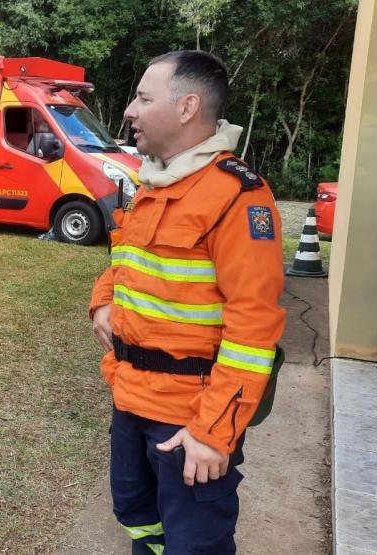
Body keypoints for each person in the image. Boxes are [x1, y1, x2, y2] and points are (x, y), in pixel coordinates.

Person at [89, 50, 285, 554]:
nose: (130, 110)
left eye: (142, 97)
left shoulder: (237, 197)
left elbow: (253, 330)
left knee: (194, 544)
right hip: (131, 398)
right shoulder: (156, 181)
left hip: (189, 417)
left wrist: (213, 432)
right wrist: (103, 303)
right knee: (139, 521)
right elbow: (126, 259)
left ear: (187, 107)